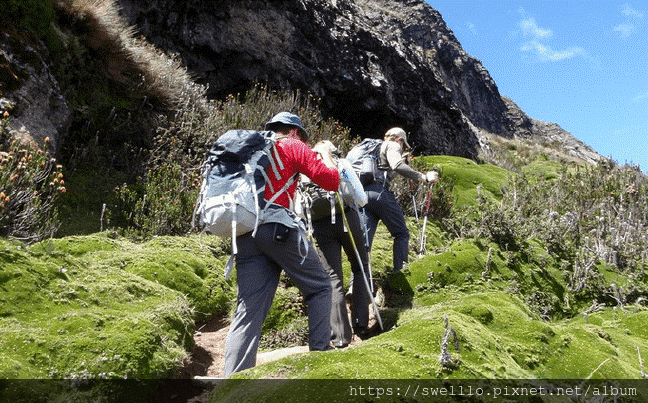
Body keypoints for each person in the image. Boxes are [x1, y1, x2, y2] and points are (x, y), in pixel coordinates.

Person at [223, 112, 340, 377]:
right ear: (294, 131)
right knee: (321, 287)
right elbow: (331, 181)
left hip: (244, 232)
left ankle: (233, 379)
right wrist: (325, 154)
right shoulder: (292, 144)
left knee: (249, 308)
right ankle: (320, 360)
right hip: (277, 227)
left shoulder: (252, 151)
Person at [303, 142, 372, 348]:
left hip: (319, 225)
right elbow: (361, 199)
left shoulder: (306, 169)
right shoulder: (341, 163)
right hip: (345, 217)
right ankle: (361, 323)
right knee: (360, 265)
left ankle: (341, 336)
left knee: (332, 276)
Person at [362, 127, 437, 274]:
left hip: (363, 195)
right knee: (401, 233)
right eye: (403, 146)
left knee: (365, 242)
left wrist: (404, 162)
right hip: (380, 194)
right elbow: (396, 165)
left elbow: (385, 169)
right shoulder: (393, 145)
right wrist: (423, 177)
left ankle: (356, 284)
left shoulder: (372, 148)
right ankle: (401, 272)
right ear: (400, 140)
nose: (402, 148)